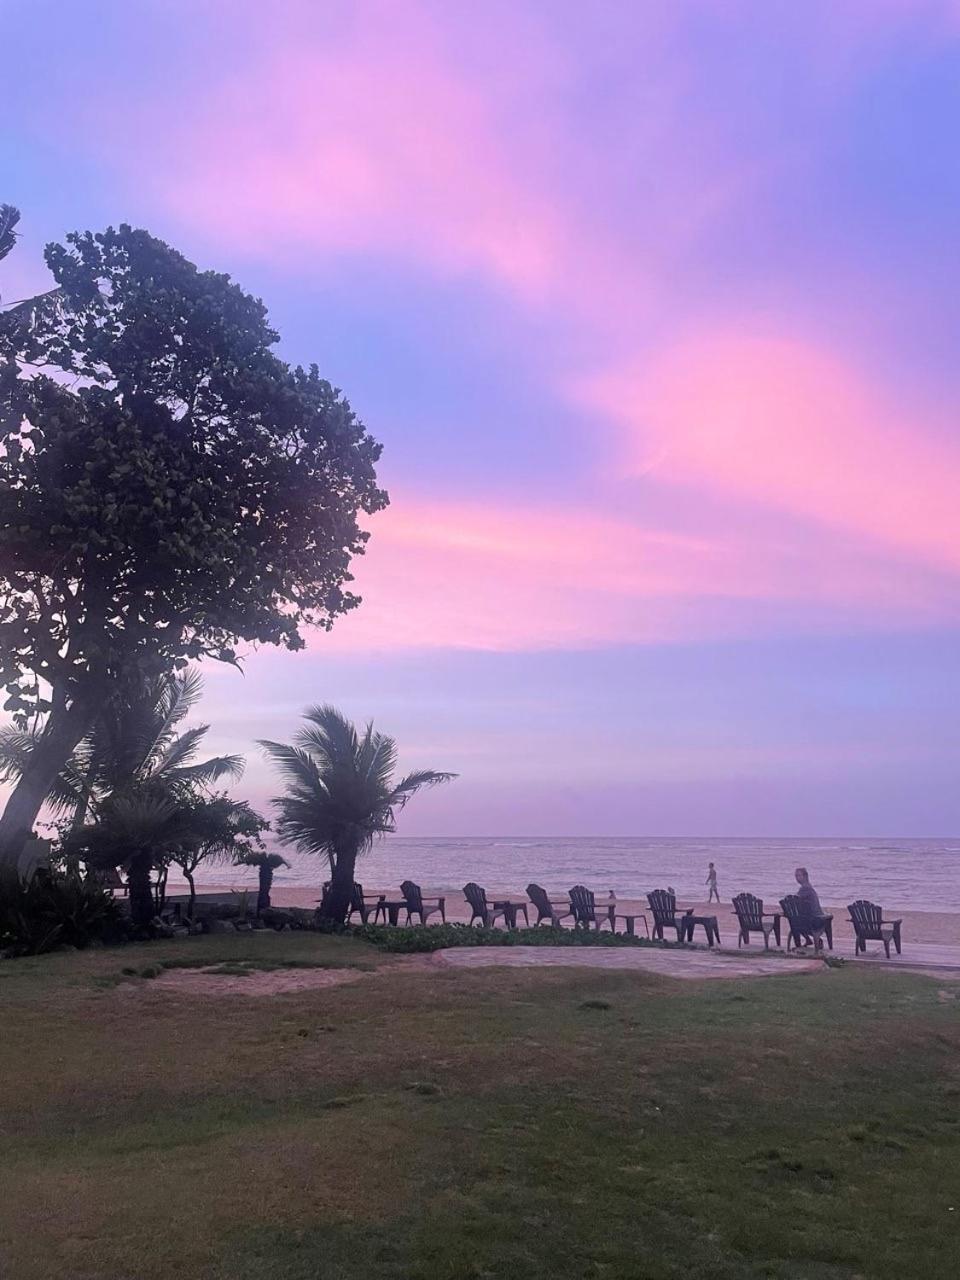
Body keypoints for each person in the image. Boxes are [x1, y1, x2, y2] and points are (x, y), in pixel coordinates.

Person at [792, 867, 831, 947]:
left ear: (805, 876)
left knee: (795, 920)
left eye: (799, 875)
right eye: (796, 876)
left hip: (814, 920)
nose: (797, 878)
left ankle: (809, 939)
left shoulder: (806, 889)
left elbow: (795, 900)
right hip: (810, 919)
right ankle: (809, 940)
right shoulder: (807, 888)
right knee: (797, 919)